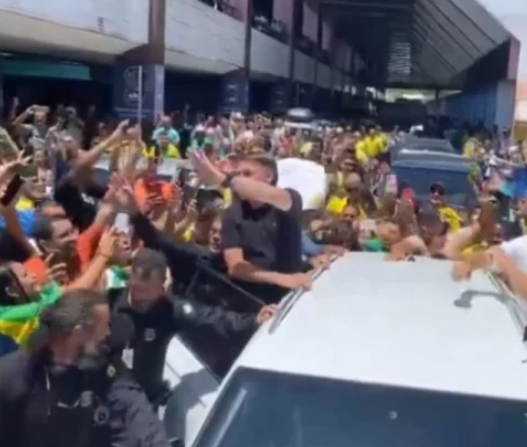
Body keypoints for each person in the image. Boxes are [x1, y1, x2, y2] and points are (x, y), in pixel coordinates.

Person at [0, 289, 170, 447]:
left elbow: (133, 407)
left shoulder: (103, 366)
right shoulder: (14, 376)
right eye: (104, 326)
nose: (108, 333)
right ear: (79, 333)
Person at [108, 249, 275, 406]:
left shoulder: (169, 311)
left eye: (147, 300)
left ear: (162, 286)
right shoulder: (108, 303)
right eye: (137, 295)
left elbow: (213, 318)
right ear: (130, 278)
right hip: (106, 399)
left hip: (143, 406)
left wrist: (253, 321)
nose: (141, 305)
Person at [190, 151, 312, 303]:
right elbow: (236, 267)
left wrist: (223, 179)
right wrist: (281, 278)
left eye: (247, 174)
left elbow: (270, 195)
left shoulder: (288, 199)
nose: (241, 179)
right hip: (256, 303)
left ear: (269, 177)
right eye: (238, 174)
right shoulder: (232, 213)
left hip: (296, 297)